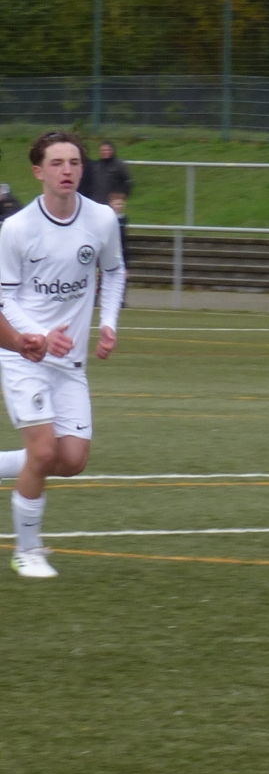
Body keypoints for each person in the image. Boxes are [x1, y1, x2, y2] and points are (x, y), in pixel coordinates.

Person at [0, 132, 124, 580]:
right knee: (43, 450)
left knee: (71, 460)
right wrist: (36, 336)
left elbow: (114, 271)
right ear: (38, 172)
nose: (66, 170)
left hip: (71, 363)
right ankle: (27, 551)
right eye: (56, 163)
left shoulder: (102, 219)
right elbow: (4, 297)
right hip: (26, 356)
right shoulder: (17, 229)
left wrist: (109, 323)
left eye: (74, 162)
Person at [79, 139, 132, 258]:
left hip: (112, 204)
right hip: (97, 203)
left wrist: (120, 196)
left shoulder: (118, 164)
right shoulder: (96, 166)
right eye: (103, 150)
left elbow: (127, 182)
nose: (105, 152)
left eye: (108, 149)